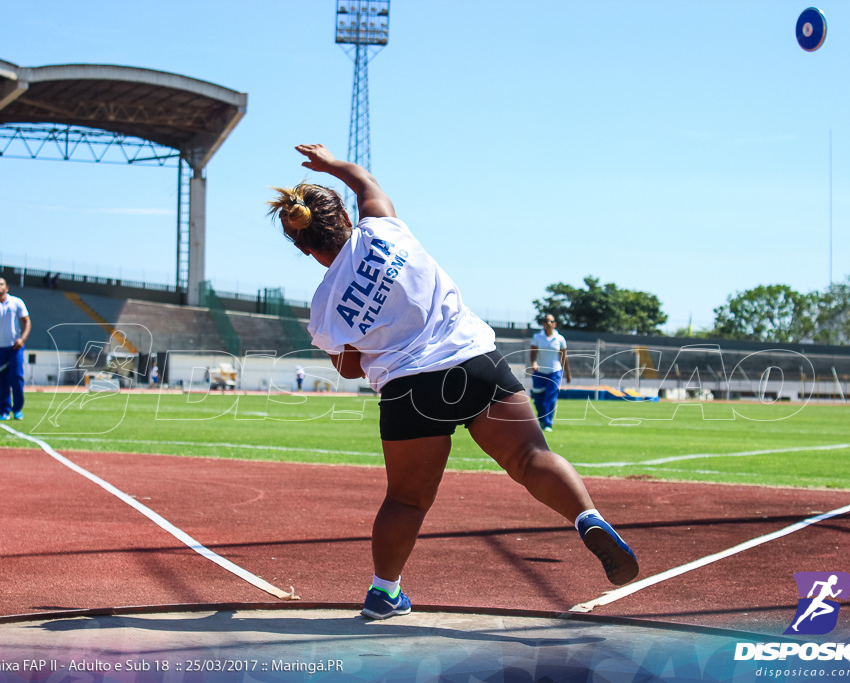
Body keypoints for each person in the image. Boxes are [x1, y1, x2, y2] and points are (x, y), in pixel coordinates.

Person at [267, 144, 639, 621]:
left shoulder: (323, 306)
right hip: (474, 361)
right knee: (531, 457)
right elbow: (365, 182)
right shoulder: (382, 226)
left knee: (406, 499)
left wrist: (367, 325)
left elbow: (350, 368)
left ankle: (384, 593)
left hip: (409, 390)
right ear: (343, 213)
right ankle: (589, 519)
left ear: (303, 247)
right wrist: (331, 164)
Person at [0, 277, 31, 420]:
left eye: (1, 284)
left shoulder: (16, 302)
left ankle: (17, 410)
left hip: (15, 347)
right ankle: (4, 411)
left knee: (16, 377)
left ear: (7, 288)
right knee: (1, 380)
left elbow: (27, 321)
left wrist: (22, 339)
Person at [529, 314, 571, 432]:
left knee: (550, 399)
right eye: (547, 321)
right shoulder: (537, 337)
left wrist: (568, 372)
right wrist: (534, 363)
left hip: (555, 372)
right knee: (538, 400)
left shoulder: (560, 339)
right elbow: (533, 353)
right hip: (539, 372)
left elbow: (564, 357)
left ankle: (548, 423)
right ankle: (542, 420)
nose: (549, 323)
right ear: (543, 324)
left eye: (551, 321)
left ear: (555, 324)